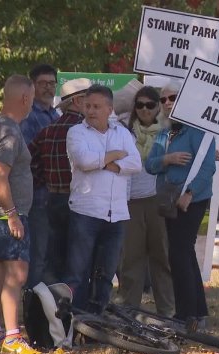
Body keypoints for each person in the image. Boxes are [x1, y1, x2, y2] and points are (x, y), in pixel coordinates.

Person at [64, 84, 142, 313]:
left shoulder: (122, 133)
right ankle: (73, 324)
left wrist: (110, 165)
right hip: (86, 211)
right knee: (78, 273)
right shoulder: (76, 132)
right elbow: (84, 161)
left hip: (116, 214)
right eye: (87, 106)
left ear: (109, 109)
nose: (91, 111)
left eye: (96, 106)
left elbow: (136, 164)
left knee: (106, 274)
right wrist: (116, 156)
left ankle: (96, 323)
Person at [0, 74, 41, 354]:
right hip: (7, 216)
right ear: (25, 98)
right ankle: (13, 338)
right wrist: (13, 215)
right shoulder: (10, 131)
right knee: (17, 274)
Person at [146, 80, 216, 328]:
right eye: (162, 99)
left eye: (172, 98)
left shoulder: (198, 131)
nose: (166, 103)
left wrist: (190, 193)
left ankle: (185, 315)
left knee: (179, 253)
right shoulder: (164, 132)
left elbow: (208, 167)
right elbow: (150, 165)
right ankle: (196, 313)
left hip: (192, 200)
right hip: (169, 199)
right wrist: (167, 158)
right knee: (182, 254)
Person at [117, 86, 175, 317]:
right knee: (131, 259)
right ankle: (128, 310)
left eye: (150, 104)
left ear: (158, 106)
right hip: (131, 201)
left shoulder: (168, 132)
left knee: (161, 257)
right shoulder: (125, 132)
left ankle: (167, 312)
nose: (144, 109)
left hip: (158, 200)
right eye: (139, 105)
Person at [29, 78, 92, 285]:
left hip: (52, 198)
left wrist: (47, 182)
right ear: (77, 101)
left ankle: (48, 306)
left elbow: (32, 165)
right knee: (77, 260)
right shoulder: (86, 131)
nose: (92, 106)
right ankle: (75, 308)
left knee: (53, 258)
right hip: (80, 201)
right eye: (88, 100)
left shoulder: (47, 130)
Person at [21, 63, 60, 289]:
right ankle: (30, 308)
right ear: (32, 86)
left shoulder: (54, 114)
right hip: (37, 193)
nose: (48, 88)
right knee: (38, 254)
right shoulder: (28, 116)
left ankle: (46, 307)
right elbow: (27, 156)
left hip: (55, 193)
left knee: (51, 254)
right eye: (42, 83)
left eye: (51, 83)